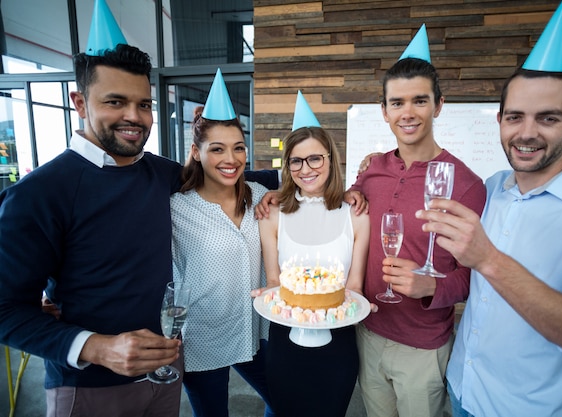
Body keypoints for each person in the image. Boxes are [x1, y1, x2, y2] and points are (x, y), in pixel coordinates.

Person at [417, 1, 562, 415]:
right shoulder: (491, 189)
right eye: (515, 117)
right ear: (499, 121)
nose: (526, 133)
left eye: (547, 118)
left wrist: (489, 260)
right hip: (461, 390)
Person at [0, 41, 187, 415]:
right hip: (88, 388)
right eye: (115, 102)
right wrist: (97, 348)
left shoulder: (164, 173)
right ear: (80, 102)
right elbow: (6, 309)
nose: (134, 116)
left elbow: (230, 181)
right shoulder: (38, 194)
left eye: (144, 104)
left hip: (166, 376)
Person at [349, 26, 486, 417]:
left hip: (423, 347)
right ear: (384, 111)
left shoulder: (466, 185)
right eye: (397, 103)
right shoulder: (372, 169)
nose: (407, 113)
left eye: (419, 101)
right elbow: (347, 207)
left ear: (439, 105)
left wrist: (431, 286)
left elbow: (475, 275)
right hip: (368, 331)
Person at [257, 92, 370, 417]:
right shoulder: (273, 214)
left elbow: (355, 287)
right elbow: (275, 281)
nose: (305, 169)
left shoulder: (356, 214)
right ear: (287, 165)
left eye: (315, 159)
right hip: (284, 342)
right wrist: (266, 294)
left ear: (331, 160)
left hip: (338, 341)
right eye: (296, 160)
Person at [171, 70, 274, 417]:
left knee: (289, 402)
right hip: (202, 337)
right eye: (217, 149)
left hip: (254, 331)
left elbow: (309, 193)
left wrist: (354, 189)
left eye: (238, 148)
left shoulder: (259, 195)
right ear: (197, 153)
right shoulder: (175, 208)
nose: (230, 159)